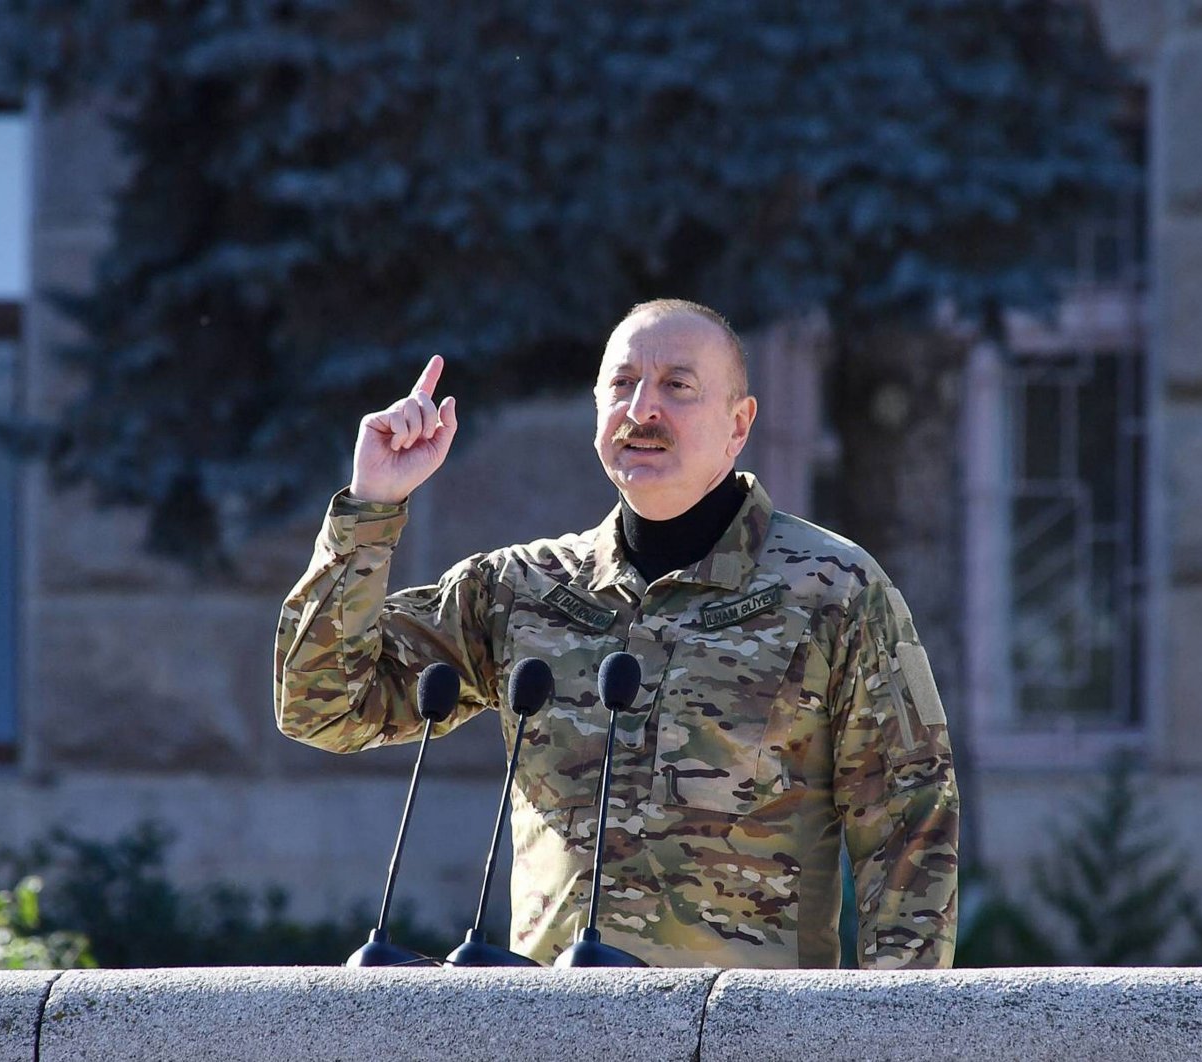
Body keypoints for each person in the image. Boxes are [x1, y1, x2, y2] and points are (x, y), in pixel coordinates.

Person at [275, 299, 958, 969]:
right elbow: (323, 707)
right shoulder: (520, 590)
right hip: (551, 1033)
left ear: (738, 424)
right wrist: (372, 505)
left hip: (743, 1036)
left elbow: (910, 825)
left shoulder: (832, 589)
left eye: (677, 387)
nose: (642, 412)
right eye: (622, 386)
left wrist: (889, 1031)